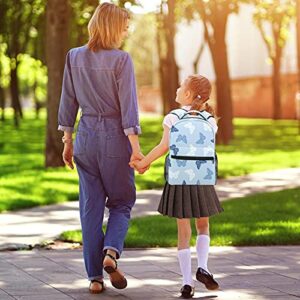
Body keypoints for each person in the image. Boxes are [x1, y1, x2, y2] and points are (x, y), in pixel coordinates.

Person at [58, 3, 146, 294]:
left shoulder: (73, 56)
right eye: (123, 27)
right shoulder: (122, 60)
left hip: (85, 138)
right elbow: (128, 109)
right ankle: (111, 252)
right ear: (112, 27)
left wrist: (68, 142)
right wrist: (135, 148)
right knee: (121, 202)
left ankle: (95, 277)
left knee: (90, 209)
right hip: (114, 139)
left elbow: (68, 102)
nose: (125, 32)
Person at [131, 75, 224, 298]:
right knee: (203, 226)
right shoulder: (210, 120)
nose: (177, 88)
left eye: (181, 86)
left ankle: (186, 283)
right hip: (202, 179)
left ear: (189, 94)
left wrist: (143, 163)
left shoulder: (173, 117)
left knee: (183, 232)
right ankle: (204, 267)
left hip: (179, 178)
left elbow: (164, 146)